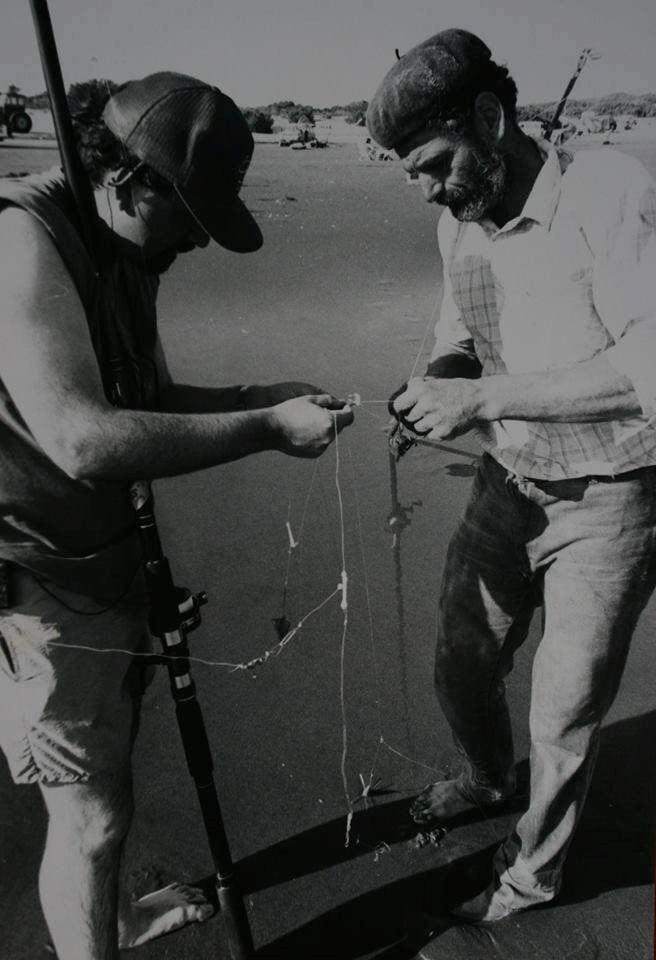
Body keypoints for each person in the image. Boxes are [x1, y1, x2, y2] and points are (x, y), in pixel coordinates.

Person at [0, 72, 353, 959]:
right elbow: (83, 437)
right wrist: (268, 428)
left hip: (103, 559)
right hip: (32, 580)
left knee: (109, 782)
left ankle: (115, 921)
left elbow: (146, 396)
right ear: (133, 178)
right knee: (90, 818)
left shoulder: (129, 247)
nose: (196, 242)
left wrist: (256, 394)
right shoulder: (23, 238)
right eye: (190, 217)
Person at [367, 29, 656, 922]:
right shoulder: (458, 218)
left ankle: (534, 873)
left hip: (614, 495)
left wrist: (486, 396)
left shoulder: (613, 193)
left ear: (492, 119)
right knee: (462, 662)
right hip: (508, 480)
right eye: (410, 171)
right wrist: (438, 390)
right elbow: (458, 341)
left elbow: (648, 366)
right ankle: (489, 781)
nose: (427, 189)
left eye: (435, 163)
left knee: (562, 714)